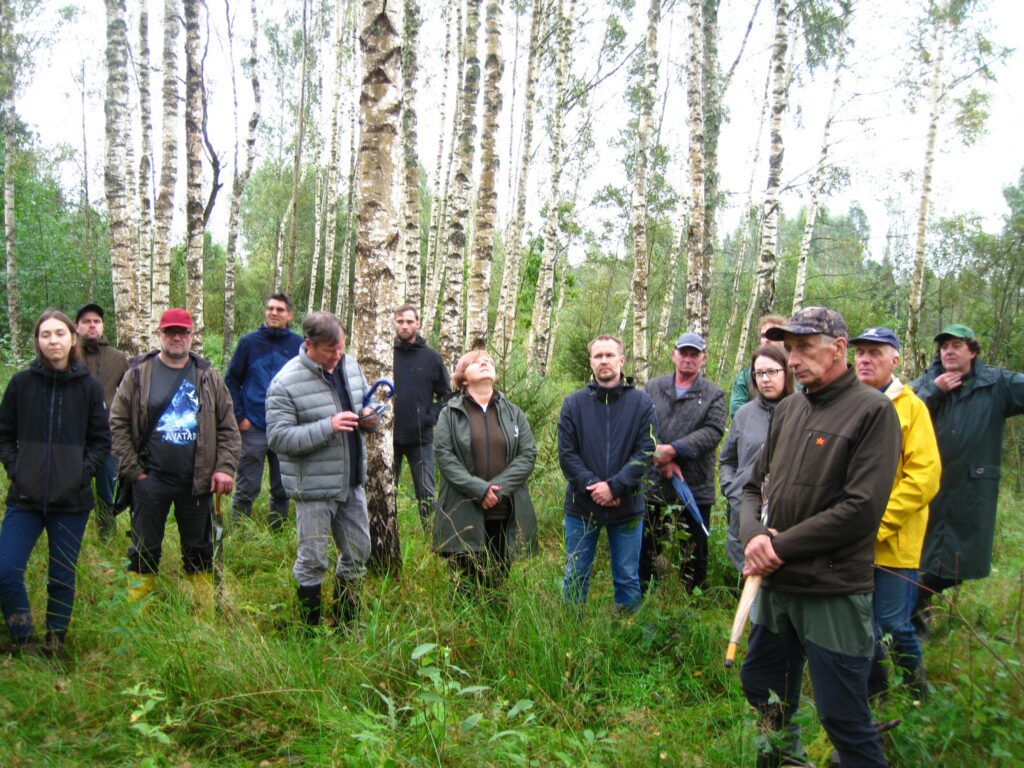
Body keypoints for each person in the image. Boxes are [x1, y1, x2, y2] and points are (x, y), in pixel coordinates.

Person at [738, 307, 901, 768]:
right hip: (776, 586)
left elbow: (861, 510)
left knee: (843, 715)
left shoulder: (873, 411)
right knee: (765, 690)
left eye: (805, 347)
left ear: (839, 348)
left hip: (832, 589)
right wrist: (753, 535)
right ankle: (784, 761)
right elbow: (752, 487)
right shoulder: (789, 408)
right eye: (789, 349)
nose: (793, 359)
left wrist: (775, 547)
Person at [0, 310, 111, 657]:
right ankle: (23, 640)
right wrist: (17, 469)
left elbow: (101, 441)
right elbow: (4, 434)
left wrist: (80, 475)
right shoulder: (21, 384)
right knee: (5, 570)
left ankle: (54, 643)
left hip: (72, 502)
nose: (53, 341)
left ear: (72, 339)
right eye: (45, 334)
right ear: (38, 341)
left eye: (60, 333)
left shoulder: (89, 387)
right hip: (25, 499)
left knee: (61, 576)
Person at [110, 309, 240, 602]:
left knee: (199, 548)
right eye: (170, 331)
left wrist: (224, 468)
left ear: (192, 335)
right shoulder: (138, 375)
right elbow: (117, 423)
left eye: (183, 331)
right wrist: (133, 471)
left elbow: (228, 428)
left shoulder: (208, 377)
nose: (177, 337)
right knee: (143, 548)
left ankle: (203, 611)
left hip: (197, 482)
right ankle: (137, 611)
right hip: (149, 479)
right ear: (160, 334)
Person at [265, 312, 378, 628]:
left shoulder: (350, 366)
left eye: (341, 347)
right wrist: (328, 426)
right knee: (313, 559)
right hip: (313, 488)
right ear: (309, 345)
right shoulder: (285, 383)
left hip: (351, 482)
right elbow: (278, 438)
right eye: (330, 350)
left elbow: (365, 409)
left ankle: (346, 625)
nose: (338, 355)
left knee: (358, 553)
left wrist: (370, 418)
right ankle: (309, 631)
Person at [910, 324, 1024, 619]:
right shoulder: (927, 382)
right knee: (920, 558)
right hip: (930, 488)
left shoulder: (996, 383)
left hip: (971, 490)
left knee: (959, 561)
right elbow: (900, 414)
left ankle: (916, 613)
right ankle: (914, 620)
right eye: (944, 346)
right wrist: (935, 391)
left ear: (972, 351)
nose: (948, 351)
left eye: (956, 346)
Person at [851, 327, 940, 700]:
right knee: (860, 624)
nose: (865, 359)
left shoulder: (911, 407)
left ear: (895, 360)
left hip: (895, 542)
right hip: (852, 541)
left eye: (875, 353)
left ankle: (917, 691)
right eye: (860, 353)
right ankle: (876, 694)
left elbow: (924, 477)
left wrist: (879, 523)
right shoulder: (849, 403)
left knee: (892, 622)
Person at [558, 335, 657, 613]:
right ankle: (571, 628)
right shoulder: (573, 404)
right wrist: (594, 486)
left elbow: (647, 450)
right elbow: (567, 454)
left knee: (627, 576)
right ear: (590, 362)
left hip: (627, 505)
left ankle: (627, 629)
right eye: (598, 356)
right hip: (582, 506)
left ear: (621, 360)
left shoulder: (642, 403)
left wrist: (615, 487)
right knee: (576, 574)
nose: (604, 360)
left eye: (610, 355)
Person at [433, 350, 536, 594]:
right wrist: (480, 490)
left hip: (504, 510)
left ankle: (497, 616)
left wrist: (498, 490)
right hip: (464, 509)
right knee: (465, 586)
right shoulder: (449, 413)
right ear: (463, 378)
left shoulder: (513, 413)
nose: (484, 362)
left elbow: (527, 454)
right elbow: (445, 457)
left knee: (498, 584)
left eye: (488, 361)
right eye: (476, 361)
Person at [643, 332, 725, 593]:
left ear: (703, 358)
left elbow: (713, 431)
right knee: (649, 542)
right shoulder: (654, 387)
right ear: (674, 355)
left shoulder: (713, 394)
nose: (688, 359)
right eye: (684, 353)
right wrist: (662, 459)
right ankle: (646, 593)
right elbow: (643, 424)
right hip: (655, 480)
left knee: (694, 548)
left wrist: (674, 450)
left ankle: (694, 598)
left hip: (694, 483)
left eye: (694, 354)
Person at [225, 293, 303, 530]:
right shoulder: (249, 343)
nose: (274, 313)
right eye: (270, 308)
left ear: (289, 315)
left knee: (283, 486)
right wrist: (240, 417)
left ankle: (277, 530)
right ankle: (240, 531)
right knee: (247, 485)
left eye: (280, 309)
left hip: (285, 426)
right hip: (254, 426)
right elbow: (232, 380)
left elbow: (305, 383)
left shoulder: (299, 345)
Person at [719, 344, 795, 575]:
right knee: (747, 572)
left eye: (772, 372)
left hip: (787, 515)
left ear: (787, 372)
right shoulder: (744, 414)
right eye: (759, 373)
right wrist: (731, 489)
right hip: (745, 511)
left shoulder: (803, 411)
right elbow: (727, 459)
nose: (765, 379)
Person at [393, 304, 451, 529]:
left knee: (426, 494)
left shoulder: (431, 358)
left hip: (421, 438)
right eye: (400, 321)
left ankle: (432, 537)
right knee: (385, 490)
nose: (404, 326)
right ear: (394, 323)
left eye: (409, 321)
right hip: (387, 437)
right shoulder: (385, 354)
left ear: (417, 323)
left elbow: (446, 397)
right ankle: (386, 536)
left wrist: (428, 416)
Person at [75, 303, 129, 539]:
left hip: (107, 436)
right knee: (74, 486)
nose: (92, 325)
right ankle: (73, 535)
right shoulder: (68, 356)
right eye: (86, 321)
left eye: (96, 321)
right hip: (73, 436)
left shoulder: (117, 358)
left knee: (106, 488)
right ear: (77, 327)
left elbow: (129, 397)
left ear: (103, 326)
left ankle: (106, 536)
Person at [729, 313, 788, 417]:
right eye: (764, 336)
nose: (767, 339)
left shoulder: (799, 373)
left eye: (773, 335)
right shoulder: (746, 375)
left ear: (785, 339)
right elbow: (736, 410)